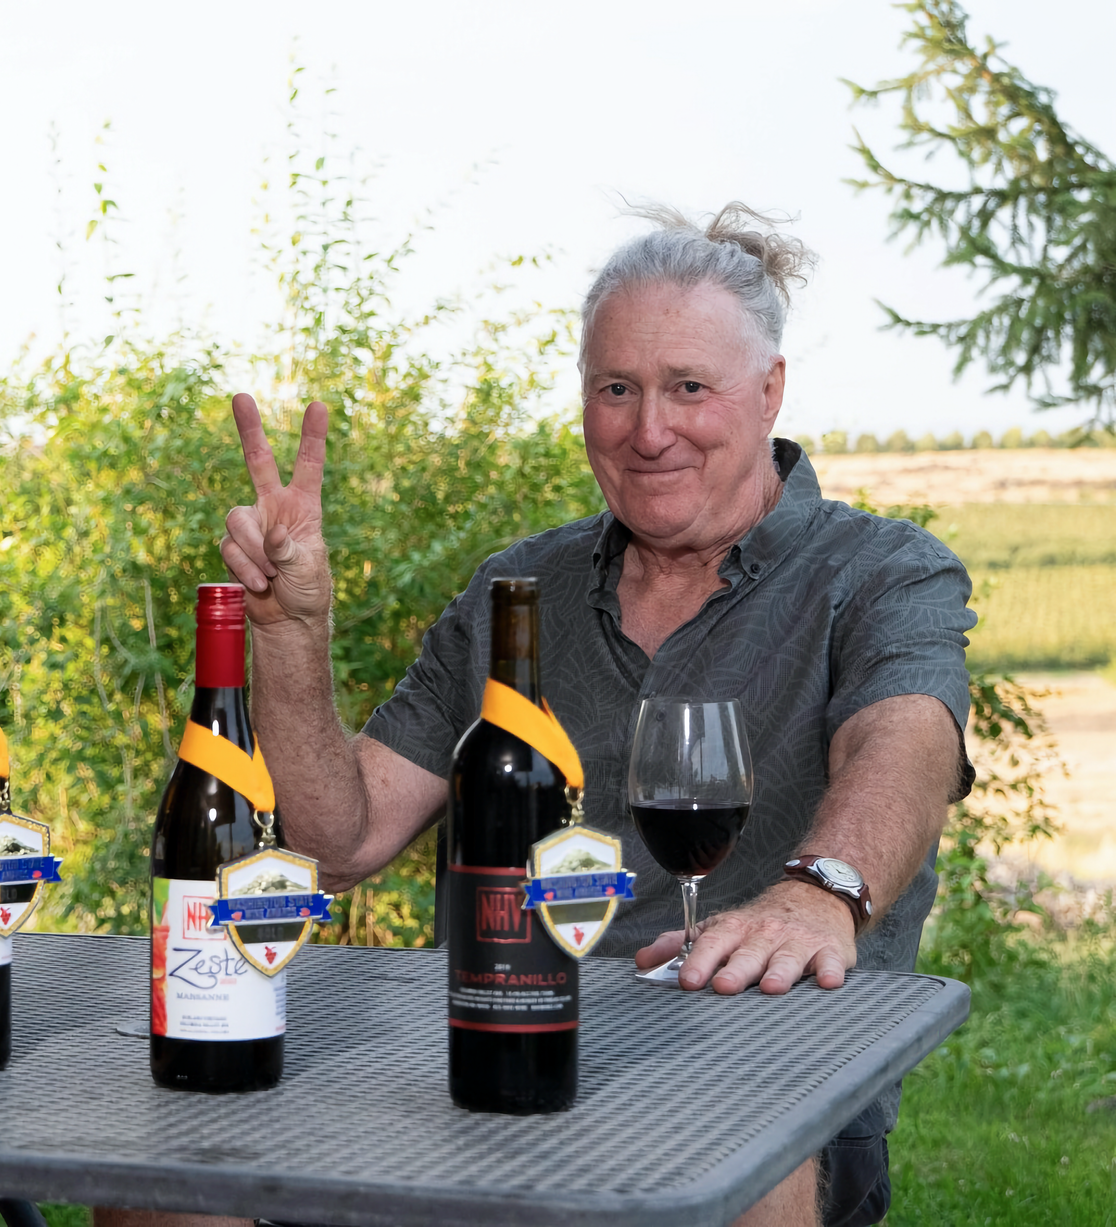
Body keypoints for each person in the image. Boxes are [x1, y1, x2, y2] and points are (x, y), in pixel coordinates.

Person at [97, 205, 975, 1227]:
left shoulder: (878, 571)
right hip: (491, 1057)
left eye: (688, 387)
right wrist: (291, 631)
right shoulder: (517, 590)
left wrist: (820, 893)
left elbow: (902, 739)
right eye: (615, 390)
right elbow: (337, 839)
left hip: (753, 1064)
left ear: (768, 389)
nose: (648, 431)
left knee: (738, 1173)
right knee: (161, 1186)